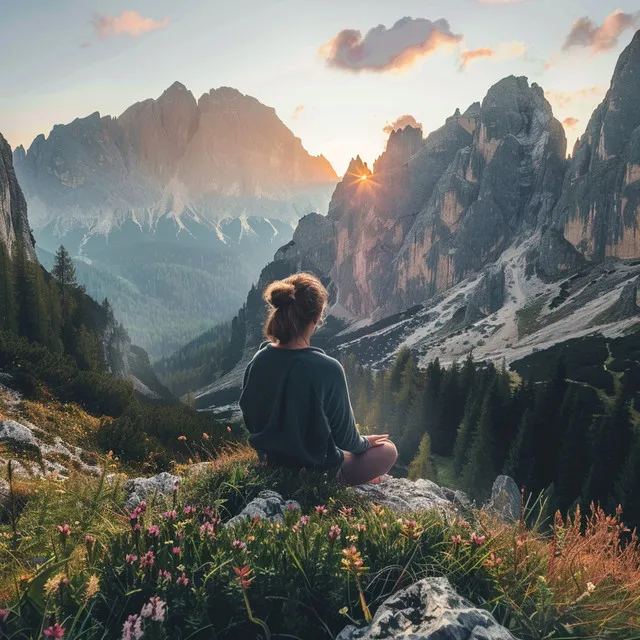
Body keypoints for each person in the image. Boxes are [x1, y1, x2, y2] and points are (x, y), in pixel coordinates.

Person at [239, 272, 398, 485]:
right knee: (388, 451)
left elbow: (248, 412)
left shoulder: (260, 359)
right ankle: (352, 479)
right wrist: (364, 444)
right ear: (317, 317)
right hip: (317, 472)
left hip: (271, 462)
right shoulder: (328, 368)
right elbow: (346, 439)